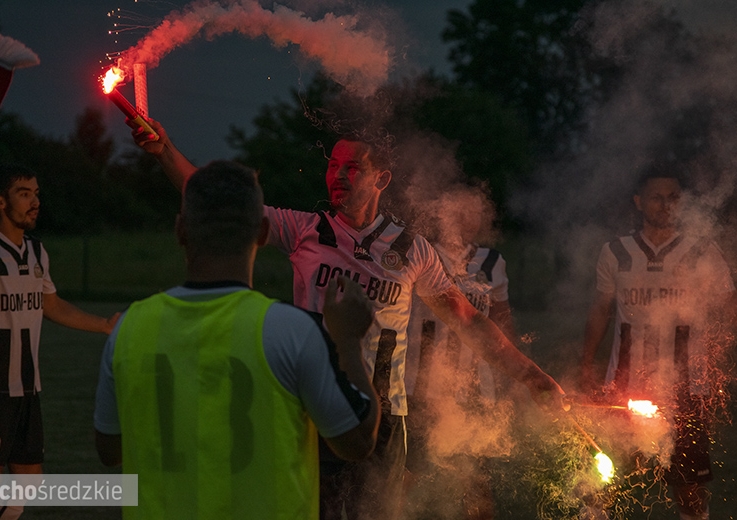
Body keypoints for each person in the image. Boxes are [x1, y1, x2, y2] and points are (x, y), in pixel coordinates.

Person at [130, 120, 567, 520]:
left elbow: (468, 321)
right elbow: (222, 206)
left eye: (352, 167)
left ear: (381, 178)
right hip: (307, 410)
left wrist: (532, 376)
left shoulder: (412, 250)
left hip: (381, 418)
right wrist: (165, 150)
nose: (337, 175)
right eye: (333, 165)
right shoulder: (305, 230)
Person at [93, 161, 380, 519]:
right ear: (262, 232)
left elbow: (109, 448)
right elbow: (357, 441)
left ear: (181, 230)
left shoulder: (130, 328)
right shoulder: (291, 330)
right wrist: (348, 340)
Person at [0, 164, 120, 520]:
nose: (35, 201)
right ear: (0, 201)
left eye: (36, 193)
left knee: (29, 483)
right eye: (24, 193)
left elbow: (51, 304)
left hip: (26, 384)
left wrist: (104, 325)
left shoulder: (36, 251)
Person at [579, 167, 736, 520]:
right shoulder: (615, 252)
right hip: (624, 384)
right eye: (657, 197)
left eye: (674, 198)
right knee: (603, 481)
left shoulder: (701, 251)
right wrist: (586, 364)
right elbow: (600, 311)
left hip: (687, 389)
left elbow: (730, 307)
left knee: (688, 488)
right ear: (639, 202)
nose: (666, 205)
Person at [404, 188, 519, 520]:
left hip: (475, 391)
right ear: (443, 212)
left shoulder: (492, 263)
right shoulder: (419, 252)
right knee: (404, 477)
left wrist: (514, 378)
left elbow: (501, 321)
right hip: (420, 388)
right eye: (460, 210)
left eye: (476, 211)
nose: (468, 218)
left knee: (477, 484)